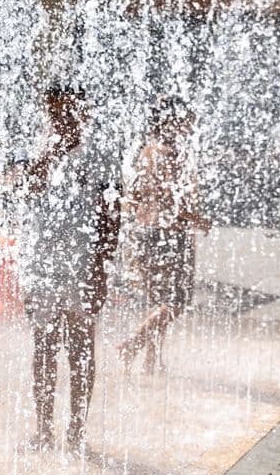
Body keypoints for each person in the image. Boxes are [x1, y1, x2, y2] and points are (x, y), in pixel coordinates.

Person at [16, 85, 121, 451]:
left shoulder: (101, 153)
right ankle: (44, 430)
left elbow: (112, 215)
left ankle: (76, 433)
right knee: (43, 347)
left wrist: (102, 270)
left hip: (81, 268)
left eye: (68, 111)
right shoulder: (37, 147)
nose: (61, 119)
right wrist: (46, 158)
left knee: (80, 349)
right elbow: (24, 193)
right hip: (41, 265)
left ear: (84, 112)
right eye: (54, 112)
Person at [118, 104, 206, 373]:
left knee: (157, 300)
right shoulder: (171, 154)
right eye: (186, 122)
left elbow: (133, 196)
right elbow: (171, 198)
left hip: (143, 232)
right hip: (169, 234)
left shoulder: (144, 151)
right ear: (172, 122)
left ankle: (151, 360)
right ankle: (132, 344)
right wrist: (197, 219)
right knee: (176, 302)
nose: (189, 129)